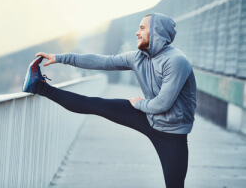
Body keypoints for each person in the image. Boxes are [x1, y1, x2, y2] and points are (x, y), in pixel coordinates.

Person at [22, 12, 196, 188]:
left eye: (142, 28)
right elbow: (101, 62)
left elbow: (162, 103)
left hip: (173, 133)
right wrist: (60, 58)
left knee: (174, 185)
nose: (137, 32)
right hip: (148, 117)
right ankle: (38, 86)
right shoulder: (138, 57)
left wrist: (139, 104)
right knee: (94, 104)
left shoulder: (176, 61)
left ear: (157, 32)